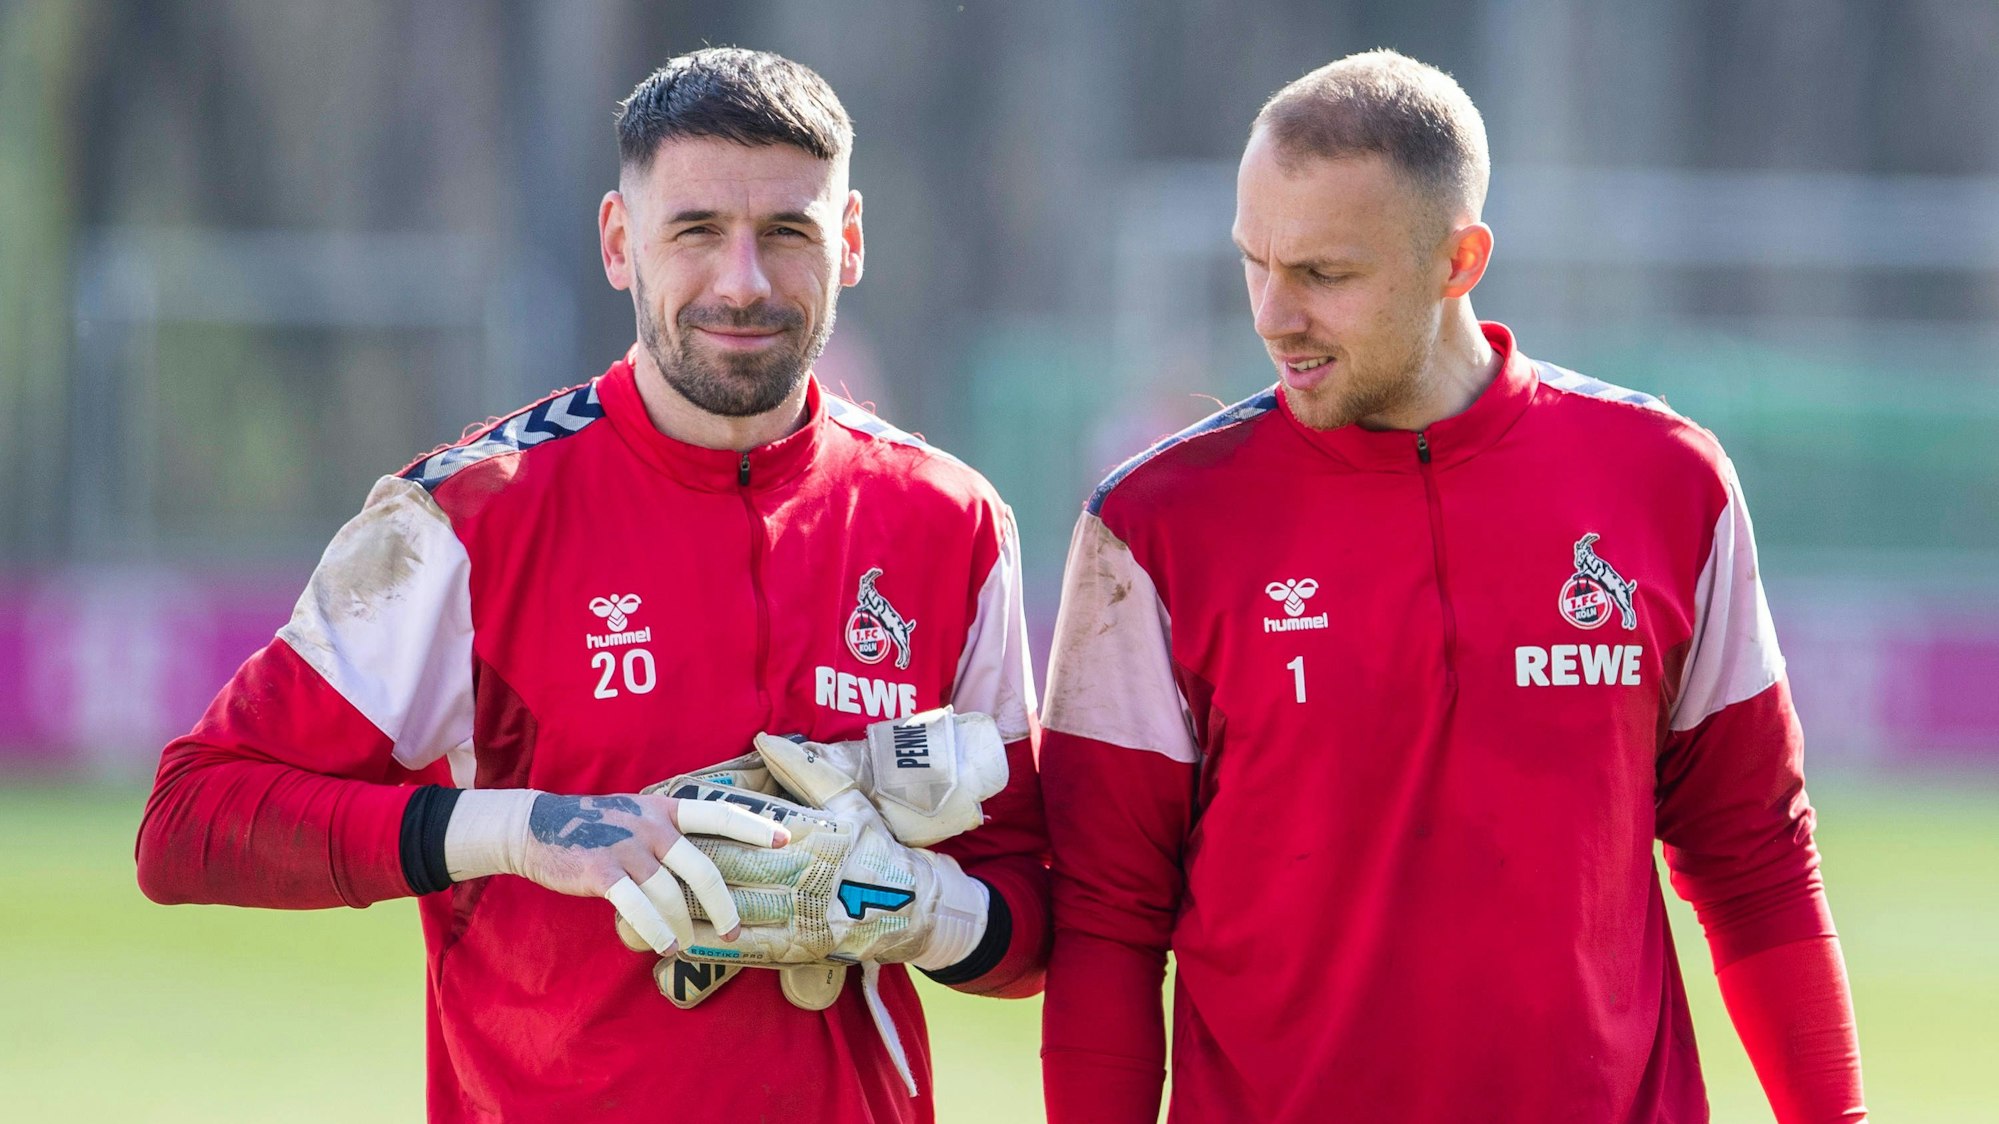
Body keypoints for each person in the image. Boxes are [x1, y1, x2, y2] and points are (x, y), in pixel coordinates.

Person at [136, 47, 1048, 1123]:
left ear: (847, 243)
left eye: (788, 233)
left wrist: (922, 910)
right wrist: (524, 830)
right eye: (696, 230)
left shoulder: (950, 520)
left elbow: (1030, 923)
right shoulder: (470, 514)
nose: (742, 280)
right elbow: (190, 820)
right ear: (621, 243)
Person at [1038, 49, 1865, 1124]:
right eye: (1256, 261)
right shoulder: (1154, 522)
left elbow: (1755, 854)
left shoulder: (1666, 479)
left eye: (1324, 274)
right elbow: (1106, 916)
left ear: (1458, 259)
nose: (1273, 315)